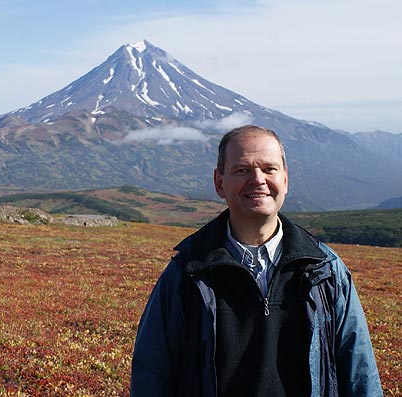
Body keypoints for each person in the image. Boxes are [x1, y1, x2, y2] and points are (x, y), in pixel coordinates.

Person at [130, 125, 382, 396]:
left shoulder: (326, 271)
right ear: (219, 183)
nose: (258, 179)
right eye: (242, 170)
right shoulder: (187, 273)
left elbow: (359, 375)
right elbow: (152, 374)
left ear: (285, 179)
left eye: (269, 169)